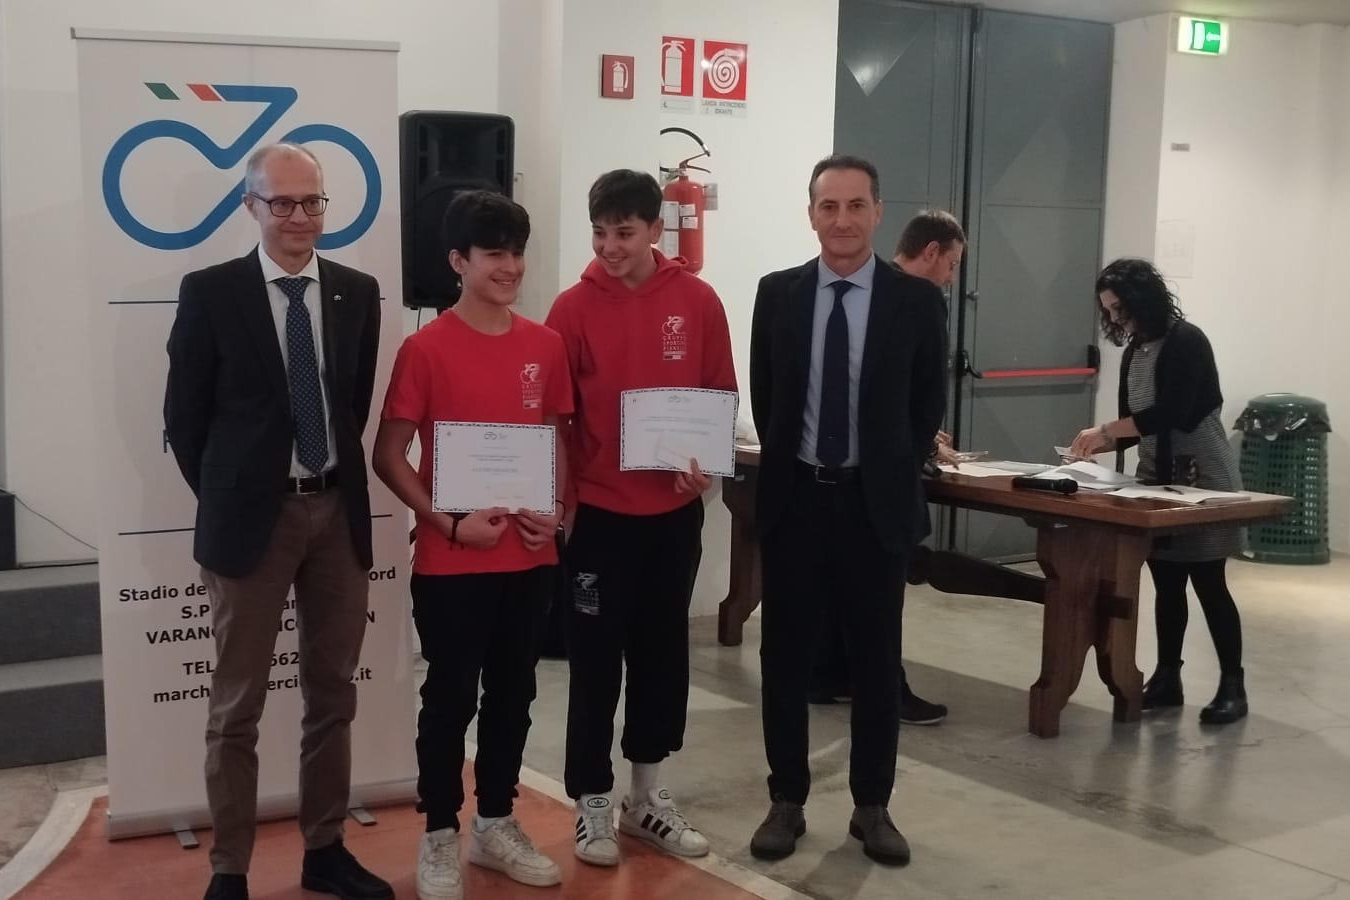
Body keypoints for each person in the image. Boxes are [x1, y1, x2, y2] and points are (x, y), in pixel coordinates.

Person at [163, 143, 392, 900]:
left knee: (333, 694)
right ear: (251, 206)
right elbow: (185, 420)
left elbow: (351, 403)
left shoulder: (356, 292)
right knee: (238, 705)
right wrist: (238, 495)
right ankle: (229, 868)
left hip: (337, 513)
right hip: (250, 524)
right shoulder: (211, 292)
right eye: (282, 202)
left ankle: (324, 849)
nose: (299, 217)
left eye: (312, 201)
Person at [746, 155, 947, 866]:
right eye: (828, 206)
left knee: (875, 661)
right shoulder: (778, 294)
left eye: (856, 205)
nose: (842, 219)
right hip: (797, 501)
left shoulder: (915, 302)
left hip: (874, 508)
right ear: (811, 214)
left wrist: (885, 470)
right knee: (785, 659)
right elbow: (768, 396)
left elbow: (926, 406)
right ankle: (786, 800)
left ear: (877, 212)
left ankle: (872, 806)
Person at [374, 190, 570, 900]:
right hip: (453, 561)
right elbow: (388, 455)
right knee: (450, 698)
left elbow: (555, 440)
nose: (509, 266)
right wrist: (447, 522)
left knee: (514, 695)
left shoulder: (544, 345)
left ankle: (494, 822)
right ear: (458, 261)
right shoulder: (424, 348)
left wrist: (557, 513)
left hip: (529, 558)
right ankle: (438, 832)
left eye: (516, 253)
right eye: (493, 254)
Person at [544, 169, 734, 867]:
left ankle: (646, 797)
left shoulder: (698, 301)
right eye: (599, 233)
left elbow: (718, 396)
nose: (609, 247)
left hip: (673, 517)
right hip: (597, 518)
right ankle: (592, 801)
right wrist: (562, 505)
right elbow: (557, 418)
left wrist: (703, 465)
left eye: (624, 233)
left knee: (662, 655)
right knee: (594, 664)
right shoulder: (570, 308)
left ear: (656, 229)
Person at [1066, 258, 1249, 726]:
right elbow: (1137, 424)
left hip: (1202, 474)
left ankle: (1233, 685)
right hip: (1157, 475)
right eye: (1108, 311)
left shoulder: (1187, 342)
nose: (1115, 319)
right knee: (1167, 582)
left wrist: (1108, 430)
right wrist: (1098, 444)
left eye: (1119, 308)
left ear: (1142, 300)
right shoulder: (1136, 352)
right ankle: (1168, 677)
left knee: (1208, 581)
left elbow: (1174, 413)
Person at [807, 208, 964, 727]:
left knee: (845, 587)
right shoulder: (916, 300)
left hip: (861, 467)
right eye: (951, 265)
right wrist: (906, 451)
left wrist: (910, 440)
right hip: (870, 474)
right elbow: (926, 395)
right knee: (871, 598)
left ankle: (833, 674)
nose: (950, 278)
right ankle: (874, 686)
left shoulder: (893, 294)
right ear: (932, 251)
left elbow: (911, 396)